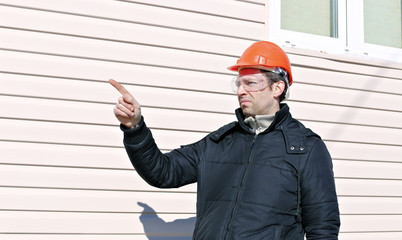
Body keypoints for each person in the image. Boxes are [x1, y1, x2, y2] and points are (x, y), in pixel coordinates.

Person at [110, 41, 340, 239]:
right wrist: (134, 127)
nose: (241, 90)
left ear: (277, 87)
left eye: (250, 83)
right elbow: (162, 171)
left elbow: (323, 228)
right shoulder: (220, 142)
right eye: (238, 83)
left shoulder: (305, 148)